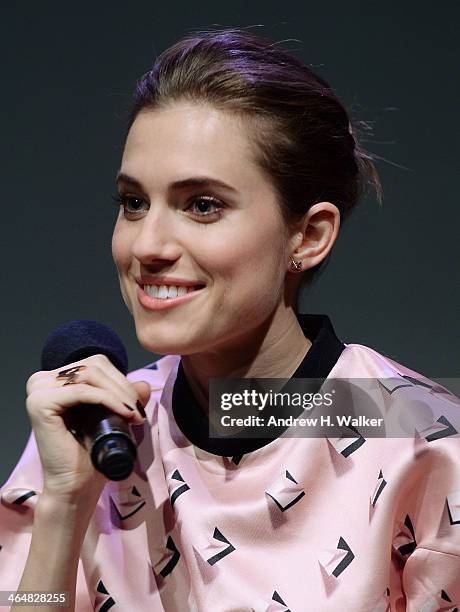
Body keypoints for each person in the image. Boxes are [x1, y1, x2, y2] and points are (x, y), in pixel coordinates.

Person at [1, 26, 459, 612]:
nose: (149, 244)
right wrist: (64, 506)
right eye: (134, 202)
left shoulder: (422, 444)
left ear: (309, 234)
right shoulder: (92, 432)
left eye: (202, 205)